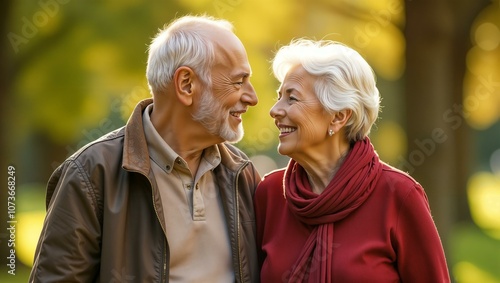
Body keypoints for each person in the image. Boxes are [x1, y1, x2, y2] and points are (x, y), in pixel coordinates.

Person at [30, 15, 261, 282]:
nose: (252, 97)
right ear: (186, 84)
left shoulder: (243, 175)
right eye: (238, 81)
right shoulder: (89, 175)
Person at [254, 39, 450, 283]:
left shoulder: (399, 195)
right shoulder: (269, 194)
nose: (275, 110)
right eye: (279, 96)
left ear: (338, 117)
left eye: (292, 99)